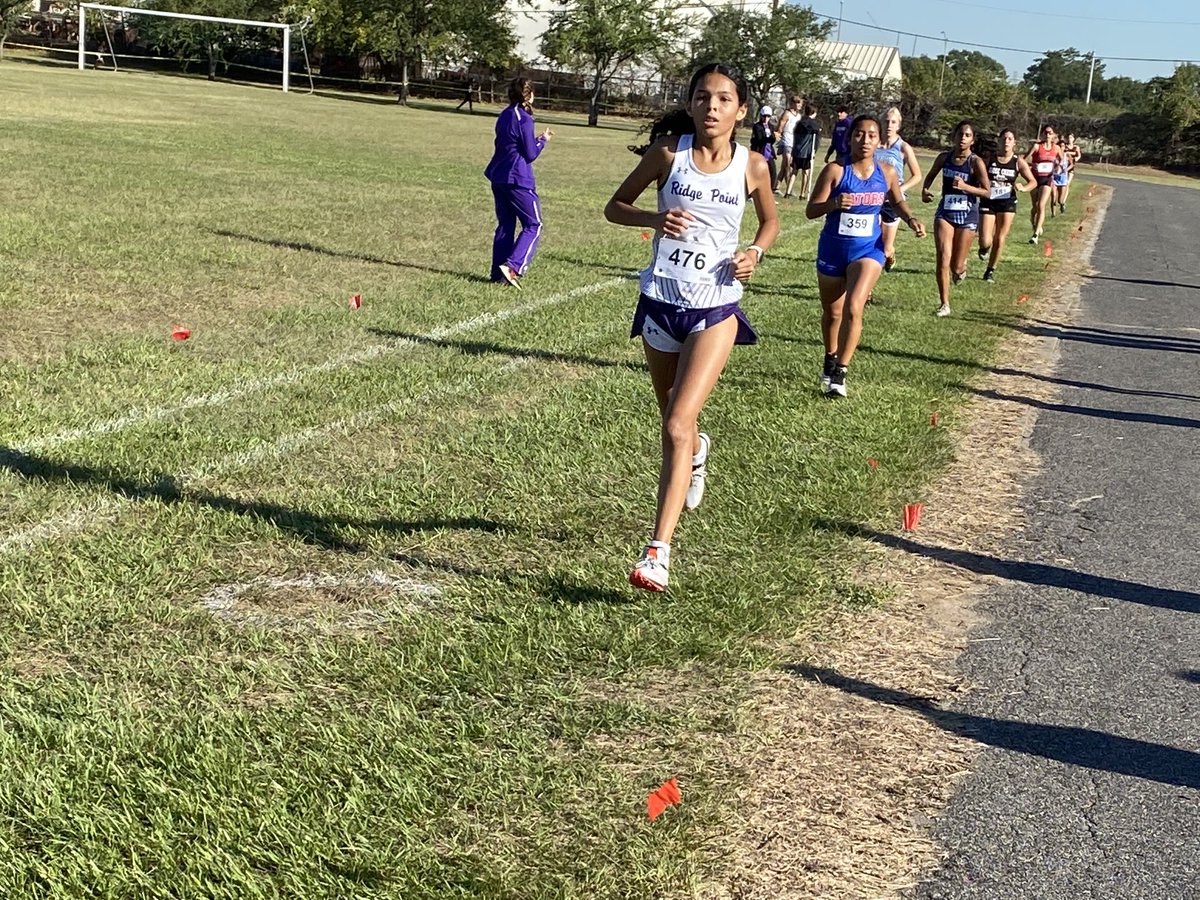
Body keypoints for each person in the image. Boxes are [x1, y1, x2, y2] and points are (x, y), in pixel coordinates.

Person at [604, 62, 779, 592]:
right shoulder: (667, 155)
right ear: (690, 103)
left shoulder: (752, 166)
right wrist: (654, 219)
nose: (712, 107)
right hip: (661, 301)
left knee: (677, 422)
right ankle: (698, 451)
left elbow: (770, 221)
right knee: (674, 422)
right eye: (703, 97)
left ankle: (657, 551)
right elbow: (614, 207)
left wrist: (754, 252)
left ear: (741, 110)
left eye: (724, 99)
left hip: (715, 307)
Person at [807, 114, 925, 397]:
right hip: (833, 249)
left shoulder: (887, 172)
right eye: (859, 134)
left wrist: (910, 219)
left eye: (872, 135)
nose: (865, 140)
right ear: (850, 138)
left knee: (854, 306)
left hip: (869, 249)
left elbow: (897, 201)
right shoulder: (835, 171)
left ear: (879, 141)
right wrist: (834, 203)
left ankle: (841, 372)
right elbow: (811, 210)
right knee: (833, 312)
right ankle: (830, 357)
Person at [484, 77, 553, 288]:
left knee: (506, 225)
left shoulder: (505, 114)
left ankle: (497, 273)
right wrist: (542, 141)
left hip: (498, 175)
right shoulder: (524, 118)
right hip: (517, 178)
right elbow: (530, 154)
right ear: (529, 95)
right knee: (534, 224)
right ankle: (513, 266)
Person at [921, 120, 990, 317]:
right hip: (945, 212)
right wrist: (925, 190)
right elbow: (930, 176)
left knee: (956, 266)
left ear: (972, 140)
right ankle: (944, 304)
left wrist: (966, 187)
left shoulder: (975, 162)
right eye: (960, 134)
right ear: (954, 136)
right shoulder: (944, 158)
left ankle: (961, 268)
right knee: (943, 257)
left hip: (967, 213)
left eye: (967, 135)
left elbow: (987, 192)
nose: (962, 138)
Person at [977, 128, 1037, 283]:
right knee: (985, 240)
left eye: (1010, 139)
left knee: (1000, 238)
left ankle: (990, 271)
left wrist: (1024, 187)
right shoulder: (990, 158)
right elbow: (978, 174)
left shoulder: (1018, 162)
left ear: (1014, 143)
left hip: (1007, 202)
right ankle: (984, 248)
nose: (1006, 141)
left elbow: (1033, 181)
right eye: (1003, 138)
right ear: (999, 141)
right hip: (989, 200)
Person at [874, 106, 923, 273]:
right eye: (886, 121)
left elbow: (917, 175)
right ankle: (868, 281)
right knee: (871, 242)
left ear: (898, 125)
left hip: (892, 202)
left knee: (886, 248)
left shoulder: (903, 147)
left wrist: (899, 189)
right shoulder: (874, 144)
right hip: (874, 198)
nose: (889, 125)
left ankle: (890, 254)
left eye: (893, 122)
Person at [1025, 123, 1061, 244]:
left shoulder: (1056, 148)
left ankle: (1035, 235)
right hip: (1035, 179)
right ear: (1042, 134)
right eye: (1046, 132)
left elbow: (1061, 160)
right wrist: (1031, 164)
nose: (1048, 135)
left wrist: (1057, 167)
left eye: (1050, 132)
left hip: (1047, 179)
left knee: (1041, 205)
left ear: (1053, 135)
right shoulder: (1036, 147)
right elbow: (1024, 160)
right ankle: (1034, 221)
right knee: (1035, 206)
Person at [791, 103, 822, 199]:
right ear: (814, 113)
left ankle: (788, 191)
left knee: (794, 171)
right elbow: (817, 140)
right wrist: (814, 151)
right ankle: (802, 194)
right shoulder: (814, 125)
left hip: (797, 151)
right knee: (806, 173)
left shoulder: (799, 123)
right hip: (806, 153)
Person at [775, 95, 802, 197]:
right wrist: (778, 134)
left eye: (800, 103)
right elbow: (780, 125)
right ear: (792, 103)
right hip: (786, 140)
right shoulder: (787, 113)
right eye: (797, 103)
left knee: (784, 166)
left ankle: (776, 187)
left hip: (794, 142)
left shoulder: (799, 116)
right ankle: (788, 190)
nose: (799, 105)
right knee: (788, 164)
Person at [750, 106, 779, 194]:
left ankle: (770, 191)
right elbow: (760, 139)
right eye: (764, 116)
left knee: (773, 172)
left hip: (768, 152)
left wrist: (774, 138)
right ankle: (752, 192)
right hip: (760, 151)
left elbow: (771, 141)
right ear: (761, 116)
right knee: (757, 172)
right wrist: (771, 137)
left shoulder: (771, 126)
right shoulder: (757, 126)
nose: (766, 118)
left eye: (768, 116)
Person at [1052, 138, 1074, 214]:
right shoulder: (1055, 155)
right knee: (1053, 196)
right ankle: (1053, 213)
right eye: (1060, 146)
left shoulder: (1067, 155)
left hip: (1063, 179)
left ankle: (1062, 204)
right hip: (1055, 178)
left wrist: (1066, 169)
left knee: (1060, 200)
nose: (1062, 148)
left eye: (1063, 146)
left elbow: (1072, 164)